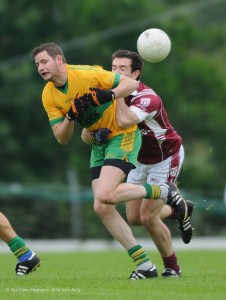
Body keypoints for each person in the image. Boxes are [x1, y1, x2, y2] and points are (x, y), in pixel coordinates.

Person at [31, 42, 189, 279]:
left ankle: (163, 192)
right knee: (102, 206)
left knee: (111, 198)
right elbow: (62, 138)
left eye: (44, 62)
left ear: (59, 60)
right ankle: (145, 265)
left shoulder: (87, 74)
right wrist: (71, 117)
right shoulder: (48, 95)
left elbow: (131, 85)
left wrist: (109, 94)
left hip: (122, 137)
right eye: (37, 64)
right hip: (99, 144)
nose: (40, 67)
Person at [82, 49, 194, 278]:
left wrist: (117, 94)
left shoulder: (148, 98)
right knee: (134, 218)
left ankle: (172, 268)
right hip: (137, 160)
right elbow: (85, 135)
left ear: (136, 74)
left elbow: (123, 121)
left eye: (122, 69)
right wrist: (96, 136)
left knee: (148, 217)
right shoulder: (106, 94)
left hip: (164, 157)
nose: (115, 72)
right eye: (113, 68)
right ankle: (177, 209)